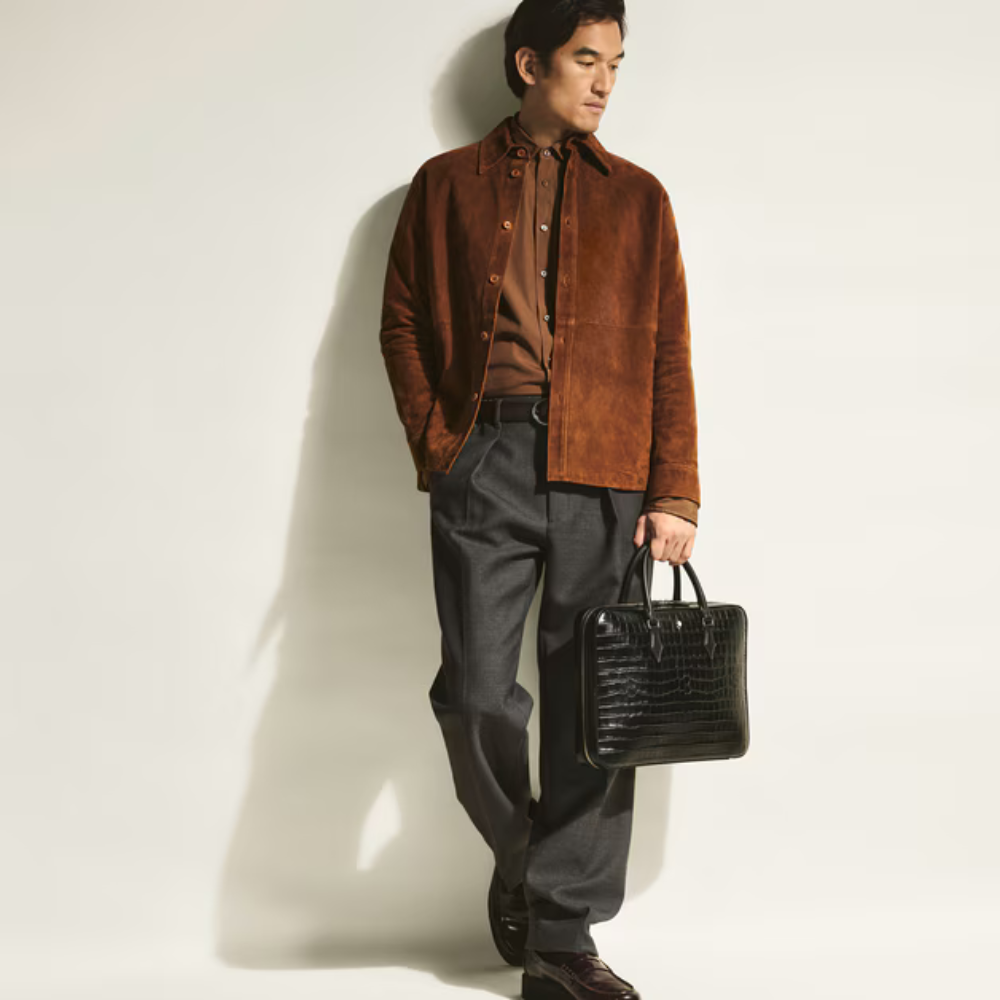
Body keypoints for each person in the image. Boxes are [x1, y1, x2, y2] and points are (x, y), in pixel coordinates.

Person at [379, 3, 699, 997]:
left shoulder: (640, 199)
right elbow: (401, 320)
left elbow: (668, 352)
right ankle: (530, 861)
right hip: (487, 461)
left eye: (617, 64)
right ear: (530, 64)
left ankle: (560, 944)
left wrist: (675, 491)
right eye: (585, 59)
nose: (604, 82)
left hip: (607, 469)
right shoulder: (446, 186)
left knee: (593, 708)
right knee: (475, 693)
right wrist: (441, 445)